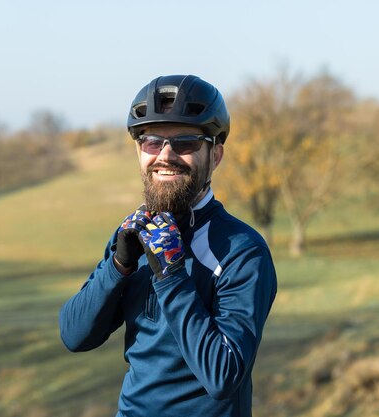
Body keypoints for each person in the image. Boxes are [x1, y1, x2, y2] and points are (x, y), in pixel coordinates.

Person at [59, 75, 277, 417]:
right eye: (151, 142)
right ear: (139, 151)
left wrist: (172, 273)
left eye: (186, 142)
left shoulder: (242, 250)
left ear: (215, 155)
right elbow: (75, 335)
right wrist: (117, 266)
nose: (165, 155)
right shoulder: (134, 233)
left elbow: (224, 375)